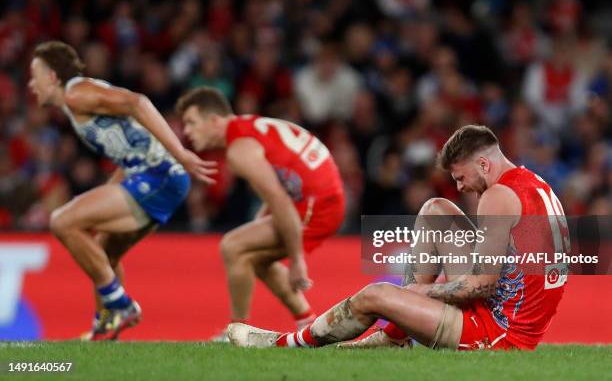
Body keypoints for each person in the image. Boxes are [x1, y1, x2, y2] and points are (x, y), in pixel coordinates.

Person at [228, 125, 569, 350]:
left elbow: (482, 286)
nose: (460, 186)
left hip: (497, 334)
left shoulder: (498, 196)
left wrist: (423, 291)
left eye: (461, 177)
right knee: (436, 209)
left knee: (374, 296)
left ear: (483, 163)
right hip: (517, 316)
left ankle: (284, 345)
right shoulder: (531, 183)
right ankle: (397, 336)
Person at [28, 41, 217, 340]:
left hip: (159, 175)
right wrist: (105, 196)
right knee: (103, 254)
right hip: (153, 176)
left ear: (52, 76)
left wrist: (180, 152)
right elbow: (129, 148)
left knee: (62, 221)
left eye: (34, 74)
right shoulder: (73, 102)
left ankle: (120, 305)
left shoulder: (77, 94)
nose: (30, 83)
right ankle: (106, 325)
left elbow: (137, 102)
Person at [176, 86, 345, 337]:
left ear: (214, 120)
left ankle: (237, 330)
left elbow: (279, 198)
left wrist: (297, 260)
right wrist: (259, 224)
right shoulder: (248, 125)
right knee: (251, 255)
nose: (187, 131)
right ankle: (305, 322)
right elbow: (281, 183)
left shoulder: (239, 149)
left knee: (232, 246)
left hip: (317, 205)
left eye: (191, 122)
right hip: (320, 196)